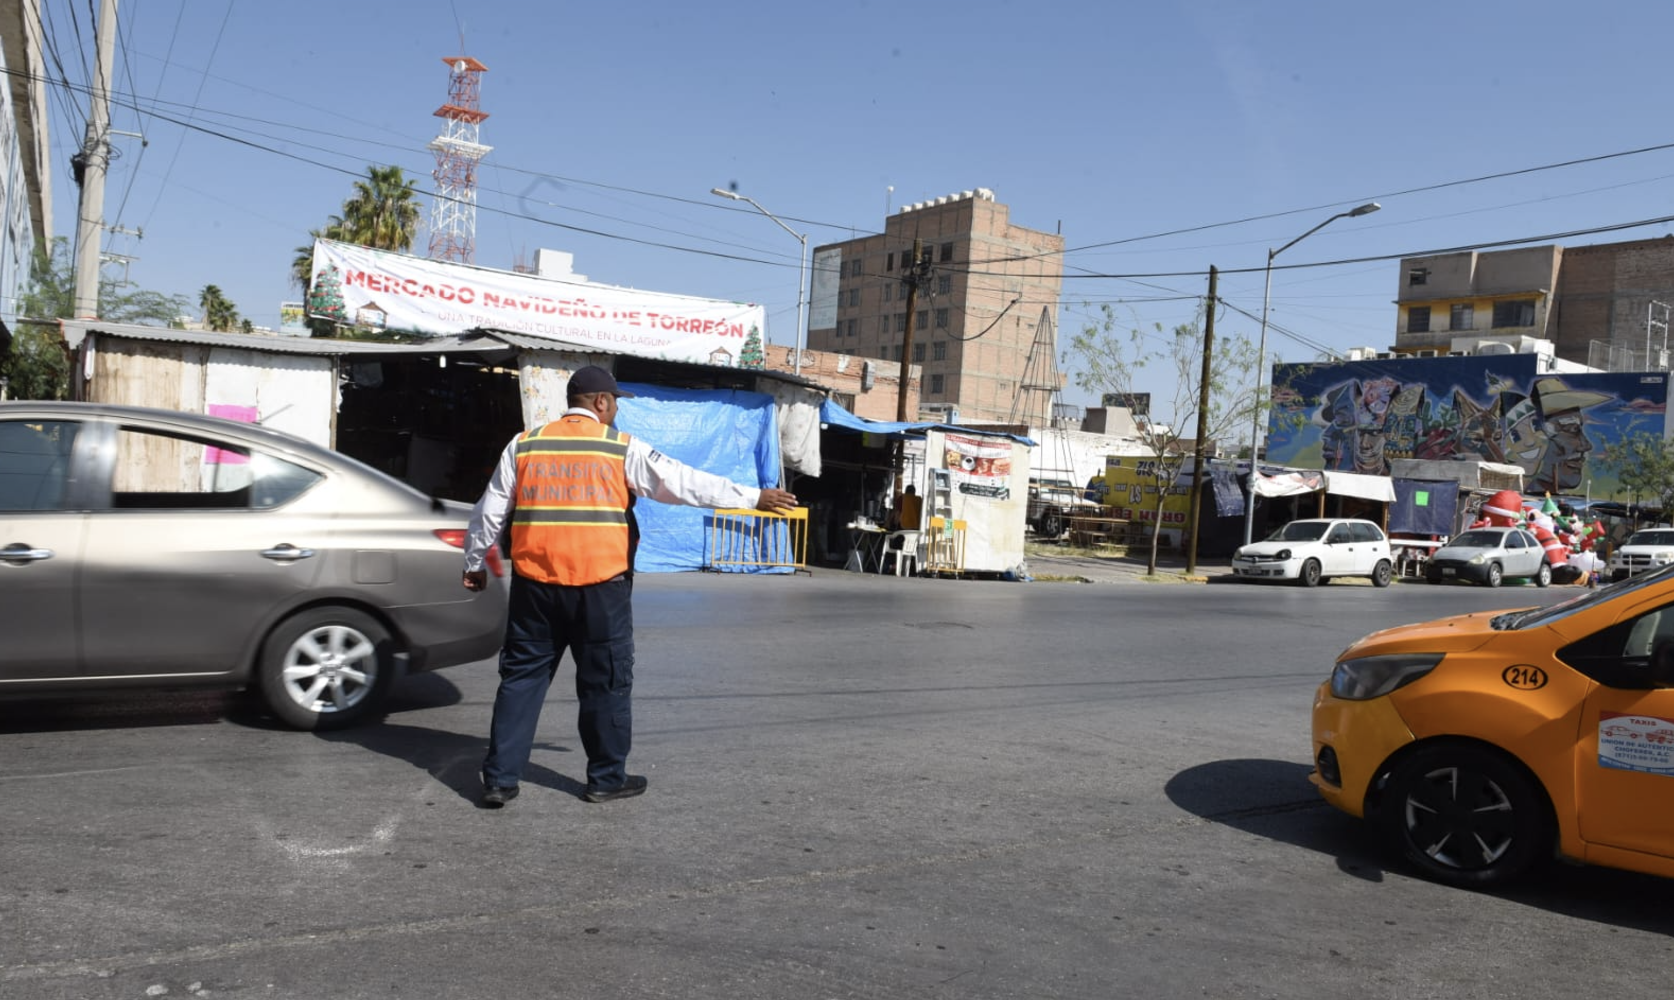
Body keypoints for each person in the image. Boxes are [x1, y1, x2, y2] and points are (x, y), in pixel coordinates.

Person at [461, 365, 797, 807]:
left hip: (535, 589)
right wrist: (752, 497)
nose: (616, 409)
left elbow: (490, 510)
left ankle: (500, 779)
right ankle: (605, 778)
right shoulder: (618, 449)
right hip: (601, 589)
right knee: (605, 683)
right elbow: (682, 483)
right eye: (615, 401)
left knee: (521, 680)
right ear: (601, 402)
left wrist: (475, 560)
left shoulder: (525, 445)